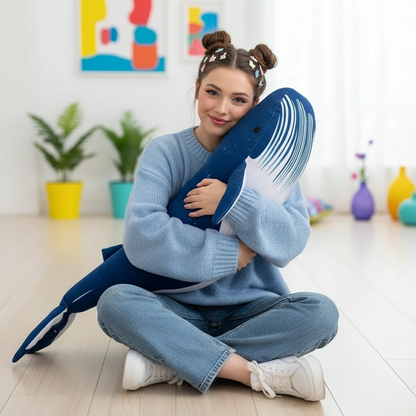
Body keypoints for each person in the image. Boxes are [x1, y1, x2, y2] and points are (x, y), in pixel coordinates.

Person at [96, 30, 338, 402]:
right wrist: (231, 254)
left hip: (254, 310)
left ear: (255, 105)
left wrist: (233, 201)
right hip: (175, 308)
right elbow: (142, 236)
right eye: (212, 92)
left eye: (238, 100)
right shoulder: (165, 152)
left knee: (322, 313)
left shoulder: (271, 160)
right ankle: (248, 372)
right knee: (114, 302)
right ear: (197, 88)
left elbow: (291, 241)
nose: (221, 108)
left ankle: (172, 361)